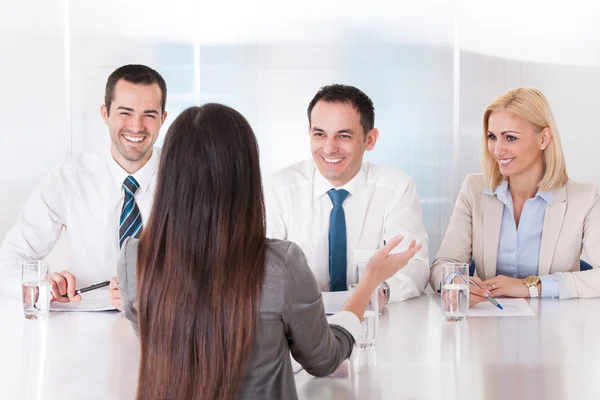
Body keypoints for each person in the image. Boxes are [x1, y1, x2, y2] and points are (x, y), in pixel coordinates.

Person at [116, 104, 422, 400]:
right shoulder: (280, 263)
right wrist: (368, 282)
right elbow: (324, 358)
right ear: (246, 173)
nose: (329, 148)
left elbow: (162, 342)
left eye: (343, 135)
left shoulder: (133, 259)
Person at [0, 64, 167, 305]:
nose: (136, 126)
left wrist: (165, 291)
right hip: (85, 325)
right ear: (105, 114)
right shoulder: (69, 178)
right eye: (125, 112)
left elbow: (219, 268)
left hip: (169, 324)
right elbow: (10, 261)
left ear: (163, 119)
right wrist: (44, 288)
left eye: (149, 114)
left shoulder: (187, 177)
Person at [431, 88, 600, 305]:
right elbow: (443, 265)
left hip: (556, 329)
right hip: (487, 324)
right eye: (492, 137)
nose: (498, 150)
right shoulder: (473, 190)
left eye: (510, 138)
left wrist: (531, 286)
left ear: (544, 139)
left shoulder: (584, 198)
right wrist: (455, 282)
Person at [266, 84, 429, 305]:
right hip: (298, 326)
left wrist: (378, 294)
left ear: (369, 139)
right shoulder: (280, 189)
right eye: (320, 134)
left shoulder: (397, 189)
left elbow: (413, 266)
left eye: (343, 136)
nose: (329, 148)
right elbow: (262, 272)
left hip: (373, 322)